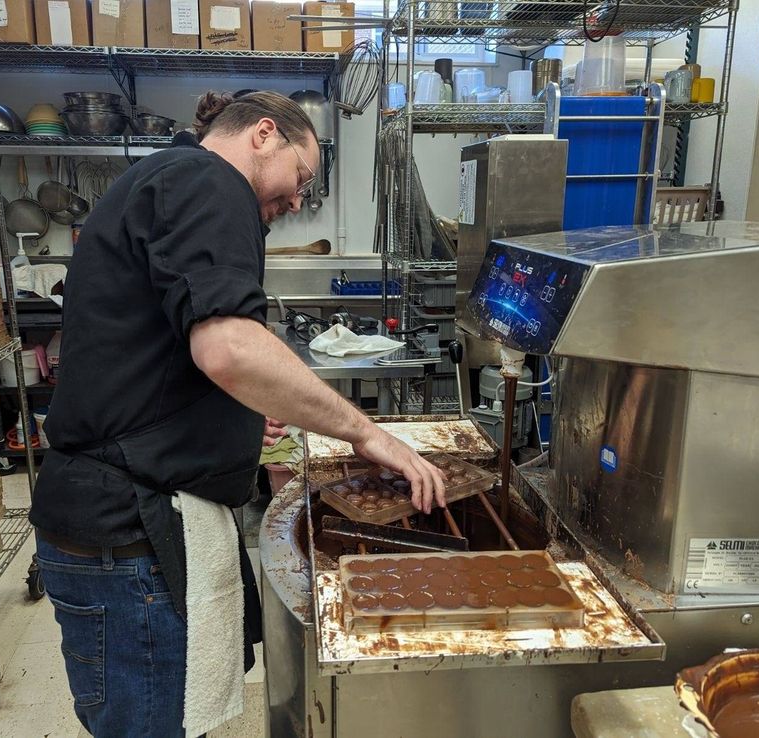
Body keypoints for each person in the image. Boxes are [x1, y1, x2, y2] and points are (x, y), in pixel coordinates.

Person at [28, 90, 447, 737]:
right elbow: (228, 349)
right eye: (301, 177)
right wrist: (365, 433)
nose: (299, 201)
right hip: (128, 538)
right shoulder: (210, 181)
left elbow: (163, 355)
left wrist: (237, 419)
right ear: (263, 134)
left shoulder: (170, 178)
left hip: (109, 527)